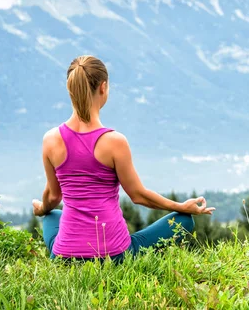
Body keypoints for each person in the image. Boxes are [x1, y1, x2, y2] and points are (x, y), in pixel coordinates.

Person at [31, 55, 214, 261]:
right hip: (115, 255)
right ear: (103, 87)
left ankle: (64, 249)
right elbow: (138, 196)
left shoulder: (51, 140)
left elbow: (53, 197)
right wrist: (181, 207)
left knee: (51, 216)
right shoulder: (114, 141)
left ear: (70, 89)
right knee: (184, 221)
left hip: (65, 256)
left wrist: (41, 209)